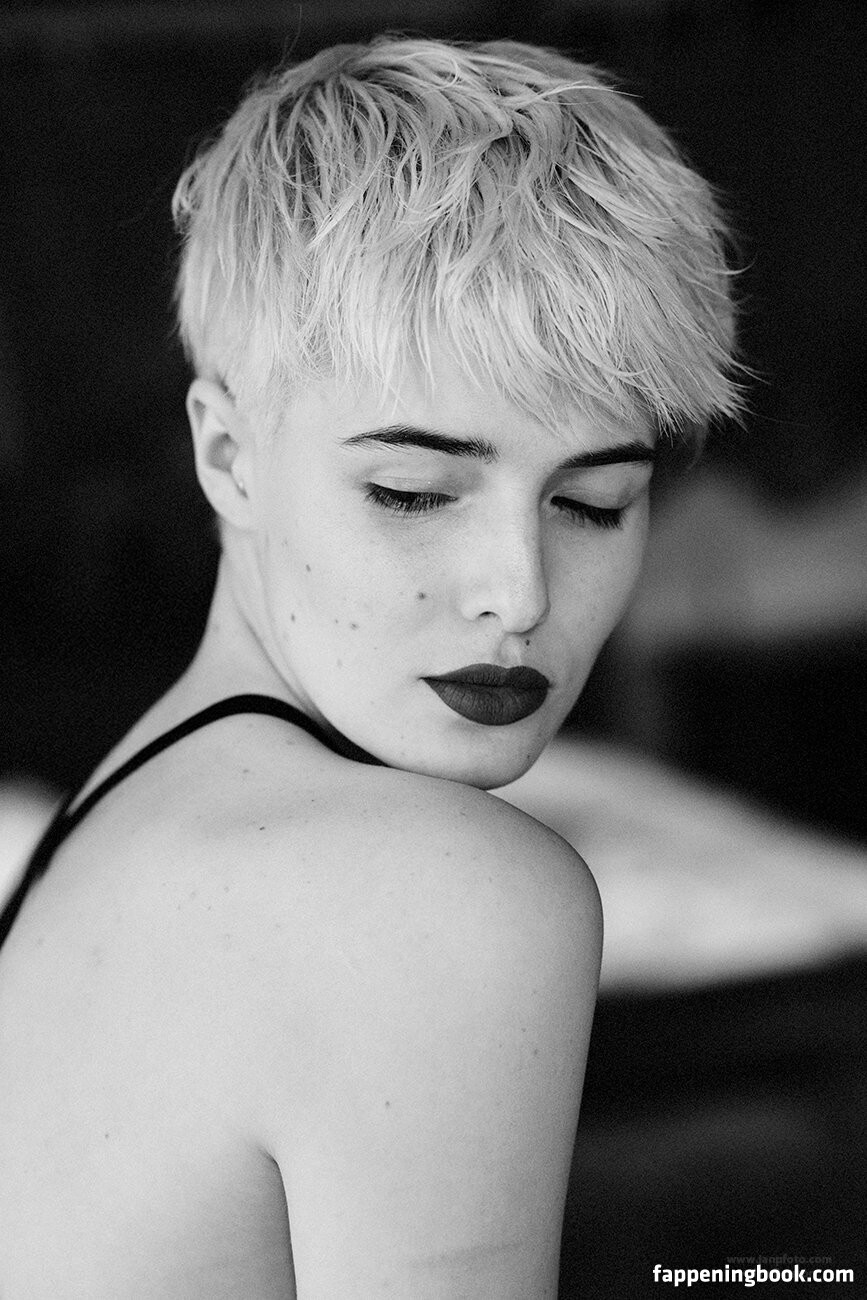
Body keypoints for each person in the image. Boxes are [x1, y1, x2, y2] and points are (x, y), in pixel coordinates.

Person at [0, 34, 740, 1297]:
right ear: (228, 455)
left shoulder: (122, 817)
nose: (518, 592)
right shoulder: (435, 891)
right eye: (412, 491)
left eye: (595, 502)